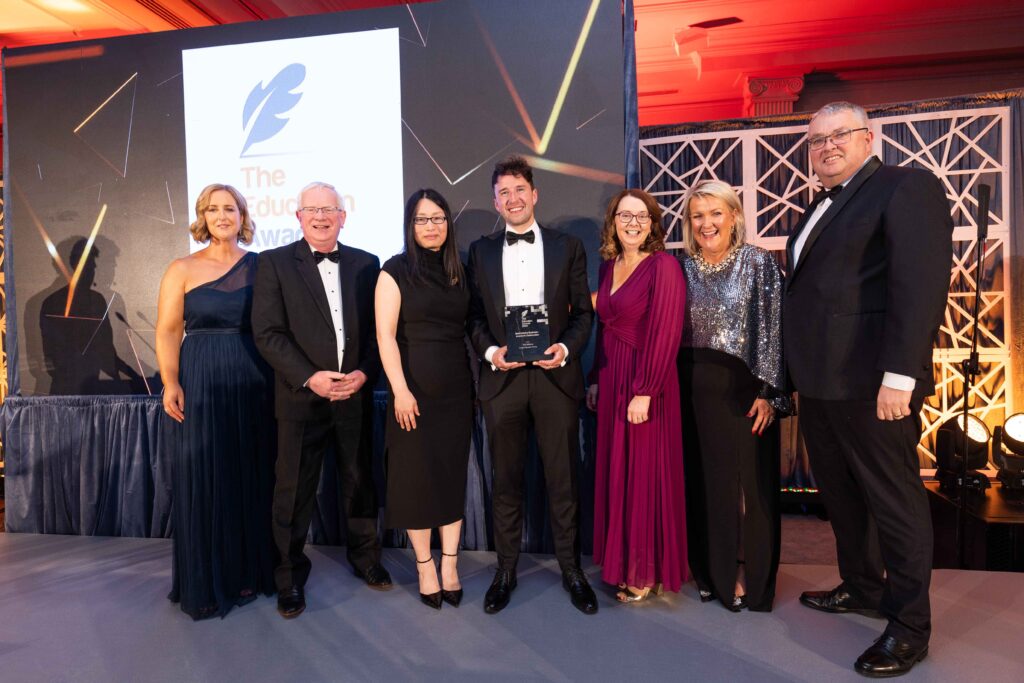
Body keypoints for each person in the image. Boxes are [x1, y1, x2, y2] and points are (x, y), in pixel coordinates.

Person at [784, 102, 952, 677]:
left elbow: (921, 284)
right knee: (843, 498)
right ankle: (860, 585)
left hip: (874, 383)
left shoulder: (906, 188)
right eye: (816, 140)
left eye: (839, 136)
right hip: (823, 384)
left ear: (867, 138)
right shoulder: (817, 204)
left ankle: (909, 627)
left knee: (895, 502)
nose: (826, 147)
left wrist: (900, 375)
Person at [251, 181, 391, 620]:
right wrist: (310, 378)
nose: (321, 216)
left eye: (329, 209)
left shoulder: (368, 264)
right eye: (311, 209)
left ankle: (366, 558)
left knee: (359, 481)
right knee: (292, 491)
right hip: (301, 398)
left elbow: (377, 334)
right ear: (297, 217)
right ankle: (289, 576)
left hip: (354, 394)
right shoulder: (273, 264)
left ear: (343, 216)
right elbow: (267, 333)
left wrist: (365, 373)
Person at [466, 155, 597, 614]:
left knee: (563, 481)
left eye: (519, 189)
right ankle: (505, 571)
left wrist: (563, 350)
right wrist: (490, 353)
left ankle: (571, 570)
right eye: (504, 192)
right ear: (495, 202)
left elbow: (584, 313)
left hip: (555, 379)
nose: (513, 198)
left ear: (534, 194)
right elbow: (474, 317)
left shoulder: (568, 247)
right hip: (502, 382)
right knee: (506, 483)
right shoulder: (479, 252)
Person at [156, 183, 275, 620]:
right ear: (202, 217)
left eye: (230, 208)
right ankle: (208, 581)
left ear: (242, 216)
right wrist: (171, 381)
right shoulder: (181, 268)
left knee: (250, 474)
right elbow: (168, 331)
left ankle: (249, 573)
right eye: (213, 209)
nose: (222, 215)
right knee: (207, 475)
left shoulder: (263, 267)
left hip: (253, 379)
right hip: (201, 378)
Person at [675, 179, 789, 614]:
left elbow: (776, 332)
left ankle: (757, 583)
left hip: (746, 389)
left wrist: (770, 394)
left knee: (755, 492)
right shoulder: (680, 268)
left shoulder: (759, 263)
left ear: (734, 216)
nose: (707, 224)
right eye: (698, 216)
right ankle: (714, 575)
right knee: (707, 486)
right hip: (692, 388)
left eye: (716, 213)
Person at [585, 189, 687, 603]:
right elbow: (604, 328)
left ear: (652, 224)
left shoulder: (663, 266)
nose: (633, 223)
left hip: (647, 384)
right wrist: (594, 377)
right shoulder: (609, 267)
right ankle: (622, 562)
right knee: (619, 472)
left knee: (643, 473)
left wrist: (645, 390)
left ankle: (644, 572)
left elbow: (666, 331)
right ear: (613, 222)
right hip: (612, 382)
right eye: (624, 215)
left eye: (641, 216)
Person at [376, 189, 472, 610]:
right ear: (409, 225)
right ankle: (424, 565)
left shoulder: (459, 271)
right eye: (421, 219)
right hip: (411, 393)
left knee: (451, 478)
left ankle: (450, 564)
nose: (431, 226)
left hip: (456, 390)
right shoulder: (393, 271)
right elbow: (385, 336)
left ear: (448, 223)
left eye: (437, 218)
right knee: (417, 481)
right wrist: (399, 390)